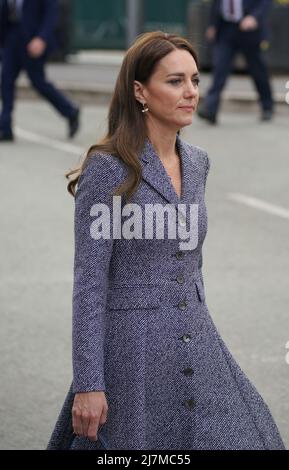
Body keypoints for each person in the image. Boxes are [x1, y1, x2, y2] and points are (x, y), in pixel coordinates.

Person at [46, 31, 285, 450]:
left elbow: (191, 264)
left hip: (196, 337)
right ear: (140, 91)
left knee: (249, 434)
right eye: (175, 81)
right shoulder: (107, 169)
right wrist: (89, 383)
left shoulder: (198, 163)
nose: (190, 92)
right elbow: (89, 285)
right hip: (132, 353)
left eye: (194, 80)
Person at [0, 0, 80, 142]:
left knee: (38, 82)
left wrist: (42, 38)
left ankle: (70, 111)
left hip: (33, 38)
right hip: (11, 38)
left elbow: (51, 14)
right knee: (6, 80)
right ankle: (5, 127)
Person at [197, 0, 274, 124]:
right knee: (219, 70)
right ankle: (210, 109)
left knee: (258, 71)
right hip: (226, 29)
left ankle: (267, 107)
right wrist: (212, 25)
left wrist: (254, 17)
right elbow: (216, 3)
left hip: (250, 30)